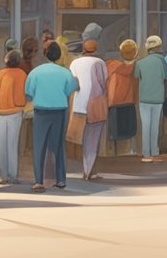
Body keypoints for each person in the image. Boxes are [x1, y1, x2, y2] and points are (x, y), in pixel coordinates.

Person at [26, 42, 77, 192]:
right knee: (58, 146)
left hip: (41, 111)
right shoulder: (66, 73)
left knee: (39, 146)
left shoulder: (35, 72)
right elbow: (70, 90)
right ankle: (60, 179)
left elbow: (29, 92)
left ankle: (38, 180)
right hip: (59, 111)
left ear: (46, 54)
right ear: (59, 55)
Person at [70, 38, 109, 181]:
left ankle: (85, 169)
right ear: (96, 49)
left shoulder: (74, 63)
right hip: (95, 105)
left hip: (79, 104)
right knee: (93, 138)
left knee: (82, 138)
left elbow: (73, 81)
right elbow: (105, 82)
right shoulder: (100, 63)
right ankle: (88, 170)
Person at [0, 50, 28, 185]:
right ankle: (13, 176)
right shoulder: (22, 74)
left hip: (2, 112)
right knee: (13, 144)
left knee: (2, 144)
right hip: (16, 111)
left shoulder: (0, 74)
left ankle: (4, 176)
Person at [135, 36, 167, 162]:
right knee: (155, 125)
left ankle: (146, 153)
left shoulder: (140, 63)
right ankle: (154, 151)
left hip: (144, 98)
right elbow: (166, 79)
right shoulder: (162, 62)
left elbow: (136, 77)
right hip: (158, 98)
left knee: (146, 125)